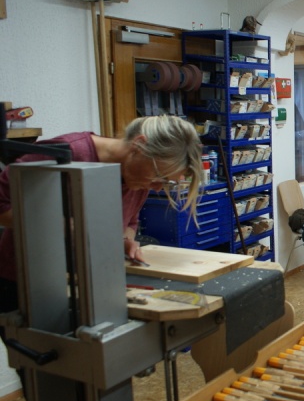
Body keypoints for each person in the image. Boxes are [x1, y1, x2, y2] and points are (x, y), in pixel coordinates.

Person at [0, 115, 204, 319]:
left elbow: (131, 221)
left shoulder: (139, 177)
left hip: (88, 286)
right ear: (139, 145)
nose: (157, 187)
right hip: (27, 284)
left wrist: (124, 240)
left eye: (167, 182)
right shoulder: (70, 152)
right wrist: (66, 226)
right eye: (159, 176)